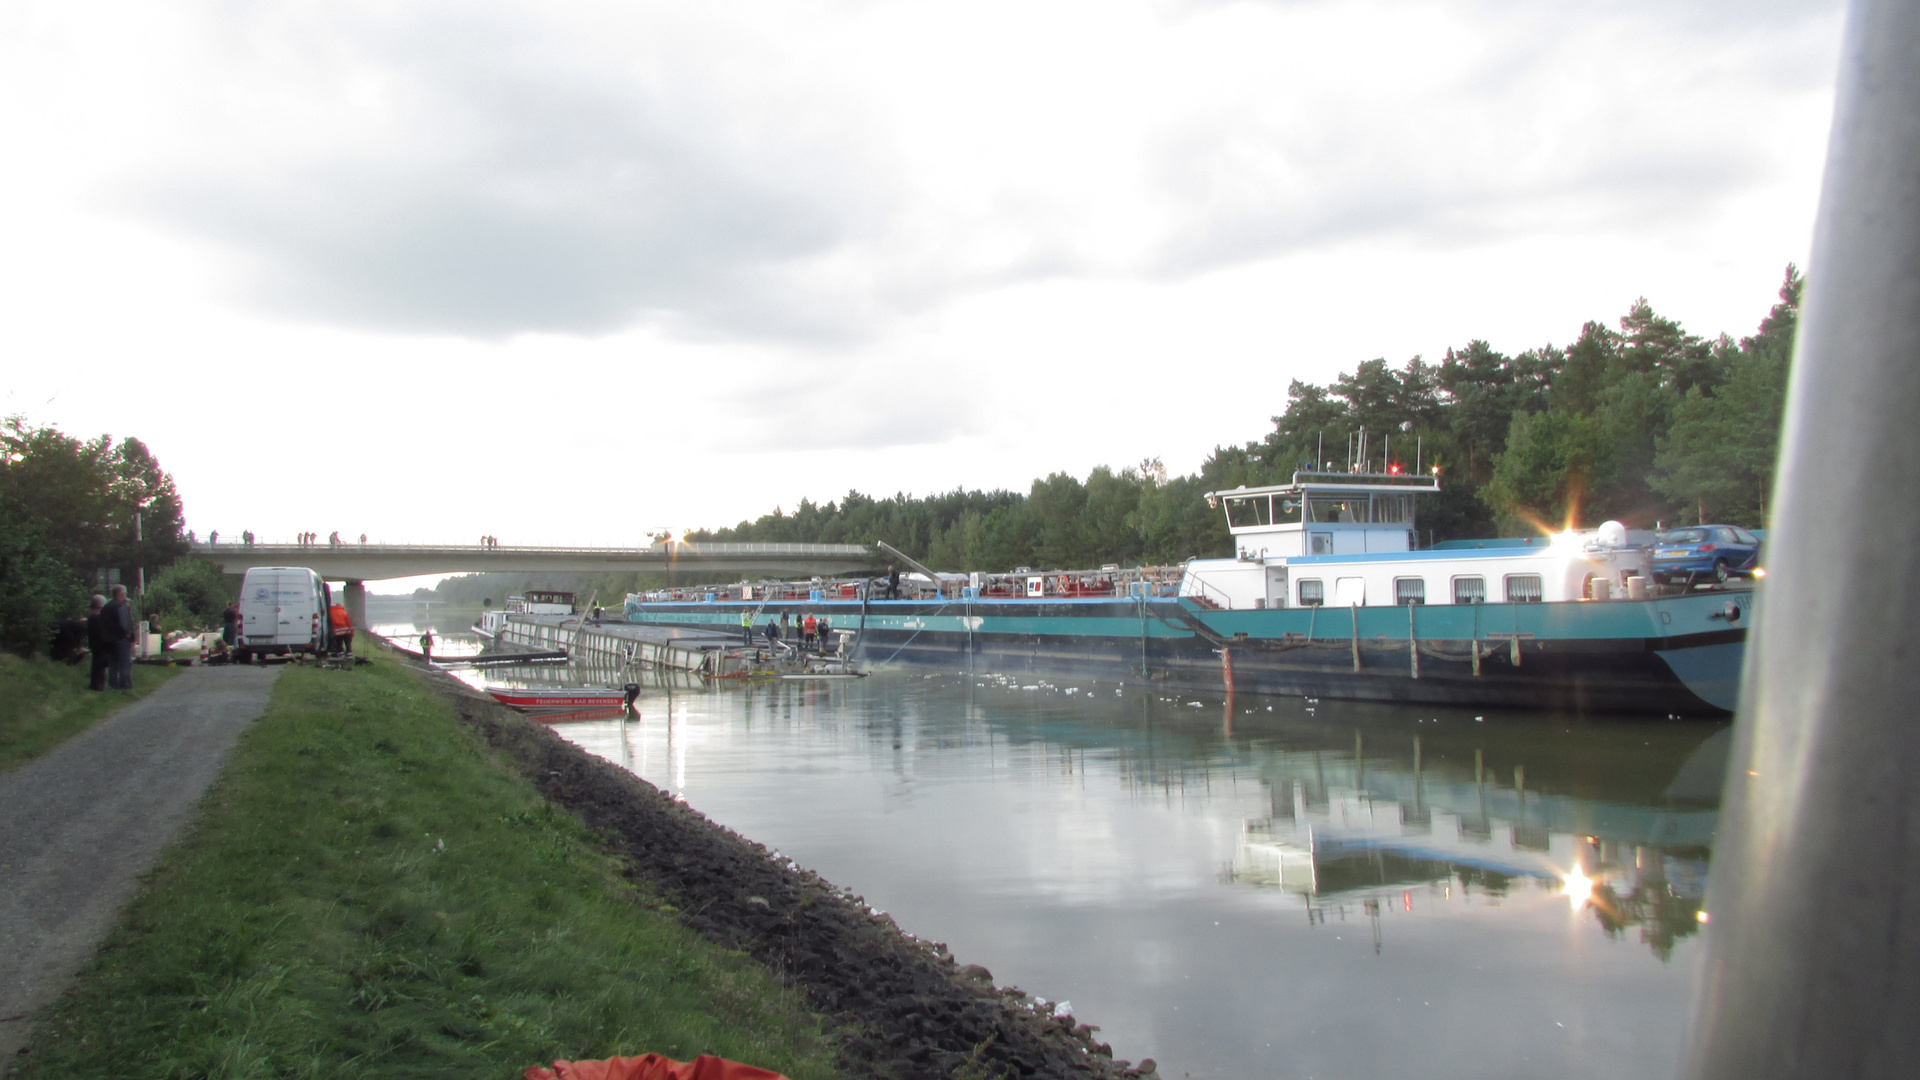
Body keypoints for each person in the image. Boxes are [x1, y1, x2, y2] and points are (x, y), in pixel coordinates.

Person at [101, 585, 134, 690]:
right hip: (121, 639)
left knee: (113, 664)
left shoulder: (105, 607)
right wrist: (128, 633)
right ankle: (125, 685)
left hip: (109, 639)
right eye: (124, 593)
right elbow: (123, 623)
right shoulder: (121, 606)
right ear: (121, 594)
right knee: (125, 663)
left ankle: (112, 685)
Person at [85, 595, 110, 690]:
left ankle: (98, 685)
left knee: (99, 665)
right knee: (99, 666)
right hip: (99, 644)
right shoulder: (96, 617)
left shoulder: (92, 615)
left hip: (96, 644)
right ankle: (97, 686)